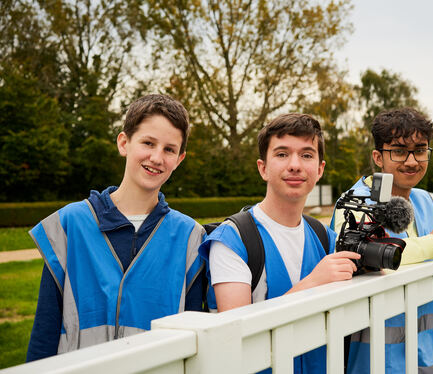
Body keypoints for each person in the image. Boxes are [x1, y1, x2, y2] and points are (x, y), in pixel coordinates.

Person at [26, 94, 207, 361]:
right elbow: (45, 328)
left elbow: (195, 341)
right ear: (124, 143)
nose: (157, 157)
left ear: (179, 159)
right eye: (148, 143)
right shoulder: (70, 225)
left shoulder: (190, 237)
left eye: (169, 149)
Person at [331, 107, 433, 373]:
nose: (411, 161)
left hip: (428, 356)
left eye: (420, 150)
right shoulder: (355, 202)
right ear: (378, 157)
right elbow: (361, 252)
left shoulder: (424, 200)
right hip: (374, 360)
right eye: (398, 151)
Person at [199, 113, 360, 373]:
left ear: (320, 169)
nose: (295, 165)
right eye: (282, 154)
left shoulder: (324, 235)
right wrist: (313, 283)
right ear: (263, 168)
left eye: (307, 155)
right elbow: (237, 334)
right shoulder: (232, 239)